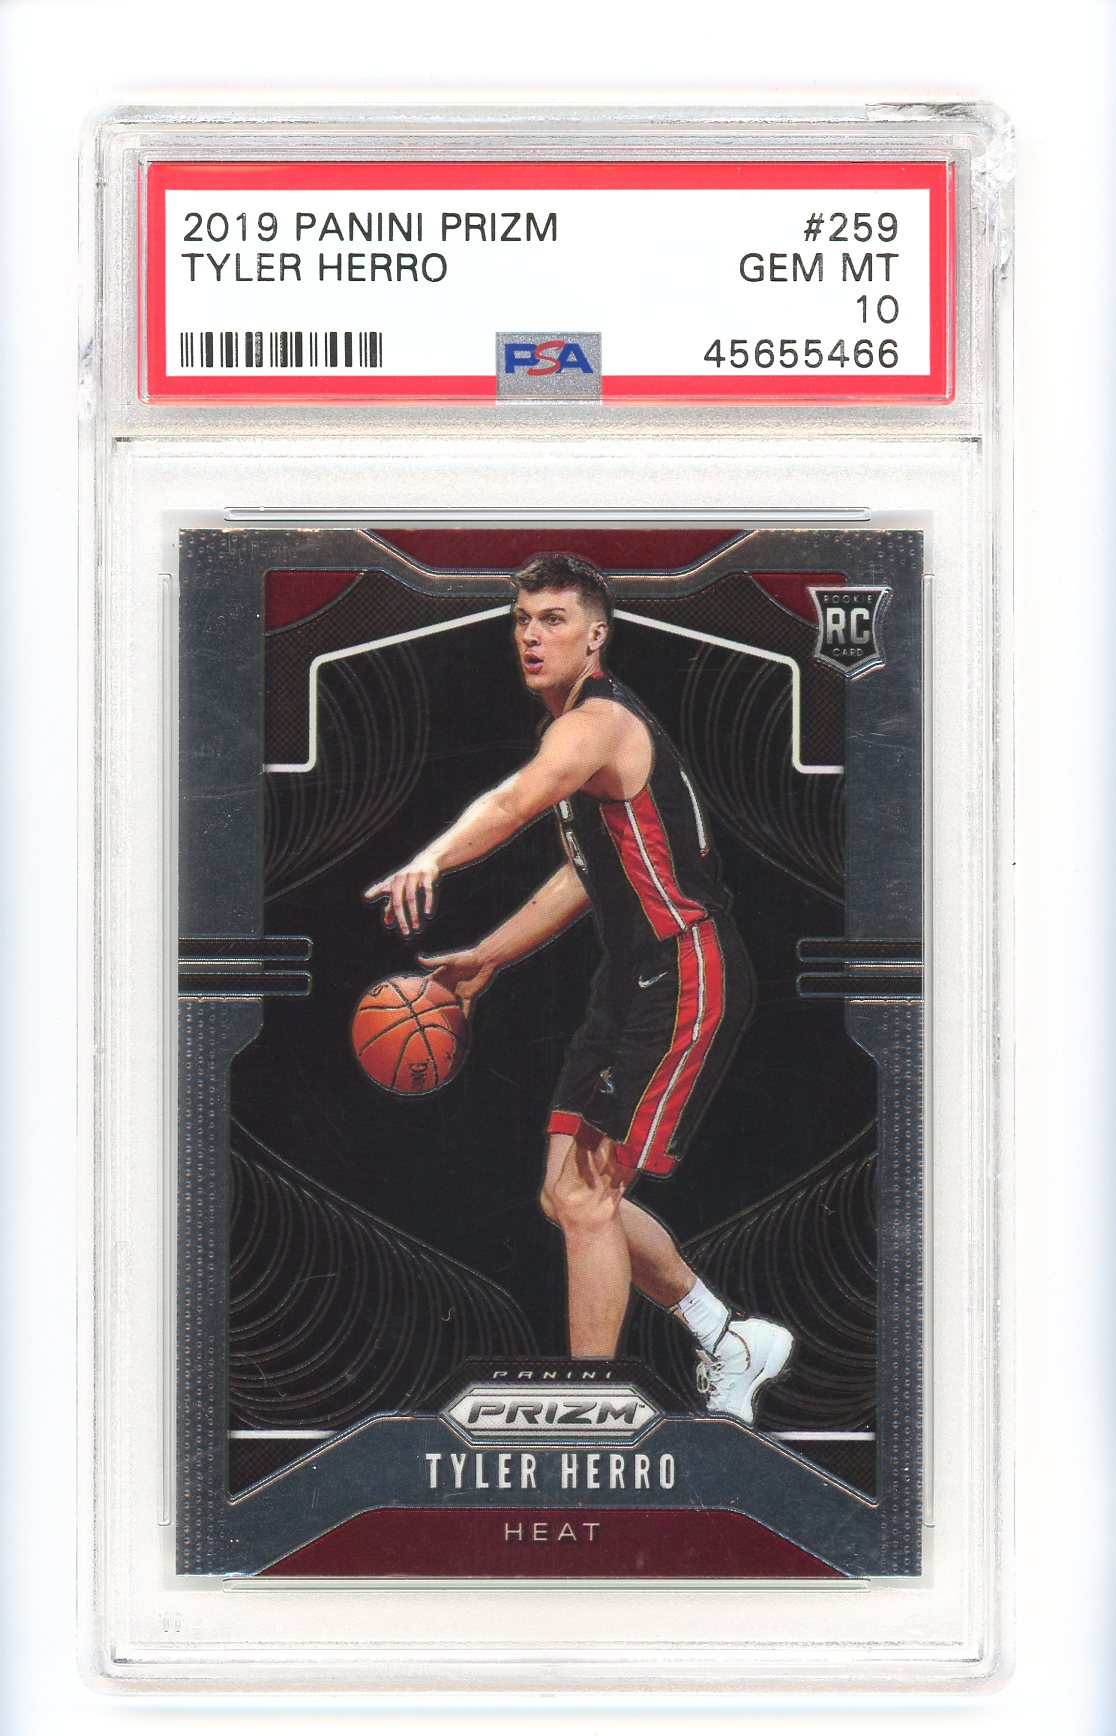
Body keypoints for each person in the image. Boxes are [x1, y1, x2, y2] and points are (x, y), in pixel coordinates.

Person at [364, 553, 793, 1426]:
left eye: (553, 620)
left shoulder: (596, 723)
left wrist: (431, 856)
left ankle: (589, 1409)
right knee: (567, 1196)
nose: (531, 635)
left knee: (588, 1197)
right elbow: (581, 874)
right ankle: (729, 1338)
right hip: (631, 980)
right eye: (522, 620)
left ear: (596, 635)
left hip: (687, 968)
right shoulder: (573, 730)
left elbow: (512, 801)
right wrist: (490, 955)